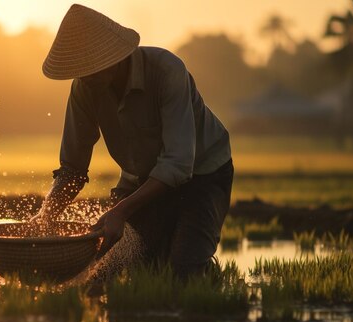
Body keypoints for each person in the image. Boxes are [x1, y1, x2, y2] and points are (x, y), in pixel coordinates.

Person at [31, 4, 234, 281]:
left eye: (91, 69)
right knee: (121, 270)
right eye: (80, 71)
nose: (85, 78)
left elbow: (178, 164)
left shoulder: (166, 71)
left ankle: (204, 275)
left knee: (183, 272)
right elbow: (73, 168)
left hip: (204, 173)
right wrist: (45, 216)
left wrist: (120, 211)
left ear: (114, 59)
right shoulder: (86, 88)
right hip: (142, 179)